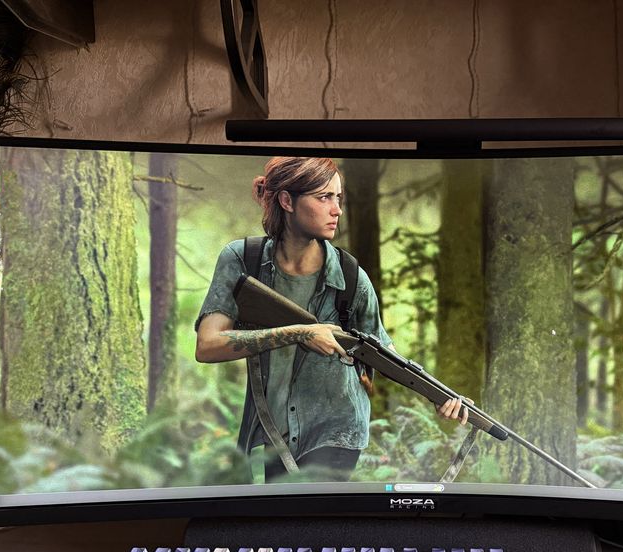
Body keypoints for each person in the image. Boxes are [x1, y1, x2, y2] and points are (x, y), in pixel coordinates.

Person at [195, 156, 467, 483]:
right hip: (274, 429)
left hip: (335, 429)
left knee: (309, 509)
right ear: (287, 201)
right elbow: (207, 345)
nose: (337, 209)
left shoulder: (351, 277)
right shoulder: (243, 259)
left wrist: (439, 395)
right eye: (324, 197)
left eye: (338, 198)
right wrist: (299, 333)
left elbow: (386, 355)